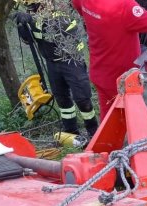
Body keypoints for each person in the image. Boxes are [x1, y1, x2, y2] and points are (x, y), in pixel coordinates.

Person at [72, 0, 147, 120]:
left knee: (109, 122)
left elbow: (79, 8)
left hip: (100, 74)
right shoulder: (123, 6)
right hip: (124, 81)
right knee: (133, 124)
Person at [15, 1, 99, 136]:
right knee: (62, 99)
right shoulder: (34, 15)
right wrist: (23, 28)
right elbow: (31, 40)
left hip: (72, 61)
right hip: (52, 63)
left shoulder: (60, 9)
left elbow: (56, 31)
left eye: (34, 5)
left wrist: (33, 20)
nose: (32, 8)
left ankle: (93, 131)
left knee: (82, 99)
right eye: (29, 6)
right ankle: (71, 132)